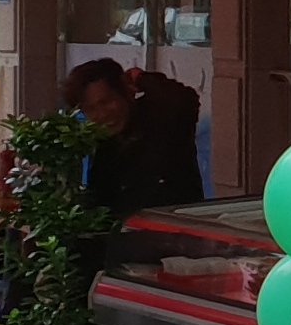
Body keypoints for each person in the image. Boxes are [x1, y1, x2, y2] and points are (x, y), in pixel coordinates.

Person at [64, 56, 206, 214]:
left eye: (107, 102)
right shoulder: (101, 144)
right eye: (90, 109)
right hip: (127, 228)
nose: (102, 114)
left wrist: (139, 78)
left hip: (177, 222)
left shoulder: (161, 116)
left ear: (126, 92)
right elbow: (99, 201)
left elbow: (184, 99)